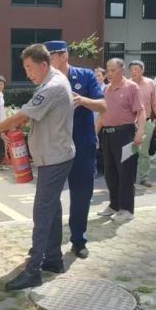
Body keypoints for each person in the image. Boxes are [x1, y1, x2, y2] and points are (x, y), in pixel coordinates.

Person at [0, 43, 74, 290]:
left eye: (29, 67)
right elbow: (37, 117)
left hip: (54, 158)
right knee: (52, 209)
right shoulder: (52, 81)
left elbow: (21, 116)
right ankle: (53, 260)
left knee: (42, 212)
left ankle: (33, 270)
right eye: (25, 68)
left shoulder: (52, 87)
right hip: (55, 156)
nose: (27, 73)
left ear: (44, 64)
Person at [45, 40, 106, 259]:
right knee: (50, 196)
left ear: (63, 56)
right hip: (56, 146)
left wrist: (83, 100)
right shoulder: (46, 81)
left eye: (50, 57)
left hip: (82, 145)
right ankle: (47, 243)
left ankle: (78, 240)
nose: (46, 62)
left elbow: (103, 105)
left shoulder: (85, 76)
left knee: (81, 194)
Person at [95, 58, 146, 222]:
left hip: (125, 134)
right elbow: (101, 115)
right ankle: (114, 205)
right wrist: (94, 134)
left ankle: (127, 209)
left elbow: (141, 112)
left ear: (122, 70)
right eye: (108, 70)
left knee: (126, 172)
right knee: (110, 172)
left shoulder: (132, 87)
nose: (109, 74)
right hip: (107, 134)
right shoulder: (106, 90)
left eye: (113, 70)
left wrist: (140, 133)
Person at [129, 61, 156, 187]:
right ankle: (129, 178)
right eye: (131, 69)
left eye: (136, 69)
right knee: (129, 151)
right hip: (129, 123)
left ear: (142, 70)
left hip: (146, 121)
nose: (134, 72)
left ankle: (144, 177)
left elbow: (155, 103)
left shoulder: (150, 83)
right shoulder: (127, 84)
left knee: (144, 152)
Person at [94, 67, 107, 177]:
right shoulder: (92, 88)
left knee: (102, 146)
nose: (97, 78)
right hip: (92, 120)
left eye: (99, 75)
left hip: (103, 121)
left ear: (104, 77)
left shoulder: (107, 89)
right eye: (95, 75)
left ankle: (102, 169)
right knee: (94, 145)